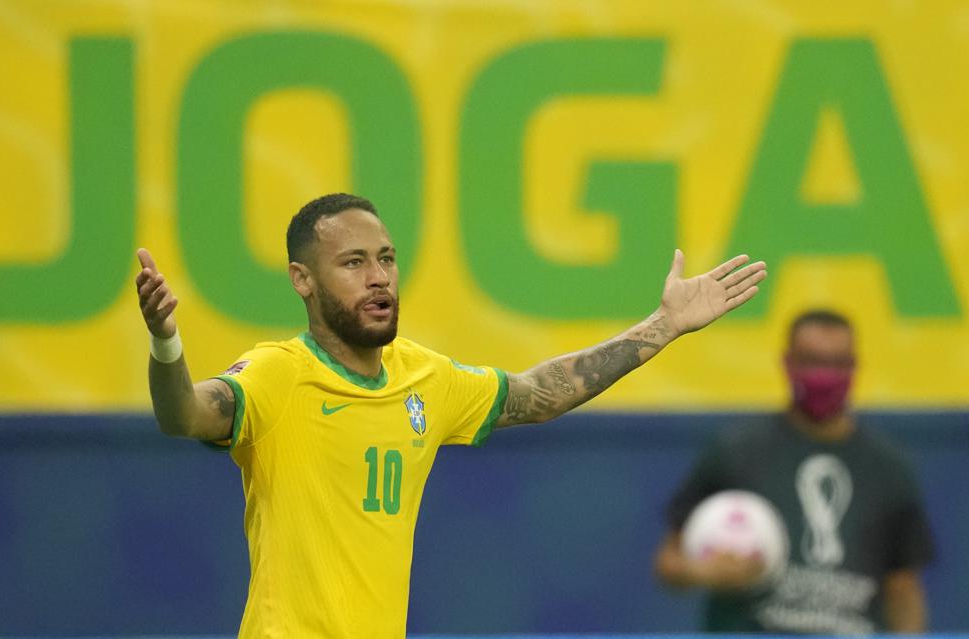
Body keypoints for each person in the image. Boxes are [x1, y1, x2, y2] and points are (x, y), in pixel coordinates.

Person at [135, 192, 766, 638]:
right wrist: (167, 342)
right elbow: (183, 414)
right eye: (353, 264)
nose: (378, 278)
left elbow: (537, 394)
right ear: (303, 280)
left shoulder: (423, 378)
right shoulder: (277, 375)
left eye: (385, 258)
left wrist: (663, 327)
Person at [654, 309, 935, 634]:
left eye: (836, 363)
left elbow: (903, 589)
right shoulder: (737, 452)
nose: (824, 375)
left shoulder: (890, 468)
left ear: (854, 367)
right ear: (788, 363)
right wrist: (706, 572)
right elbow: (668, 562)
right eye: (812, 361)